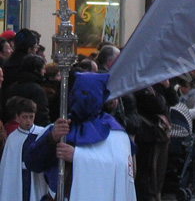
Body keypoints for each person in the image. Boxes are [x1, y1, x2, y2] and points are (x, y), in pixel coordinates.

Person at [24, 72, 136, 200]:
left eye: (87, 94)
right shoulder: (59, 127)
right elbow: (33, 164)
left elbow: (122, 170)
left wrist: (77, 157)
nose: (82, 98)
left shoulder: (115, 134)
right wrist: (51, 139)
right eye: (78, 93)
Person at [0, 97, 49, 201]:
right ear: (17, 117)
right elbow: (7, 167)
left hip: (36, 178)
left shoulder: (41, 134)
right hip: (18, 177)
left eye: (31, 117)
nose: (28, 121)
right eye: (24, 117)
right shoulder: (13, 138)